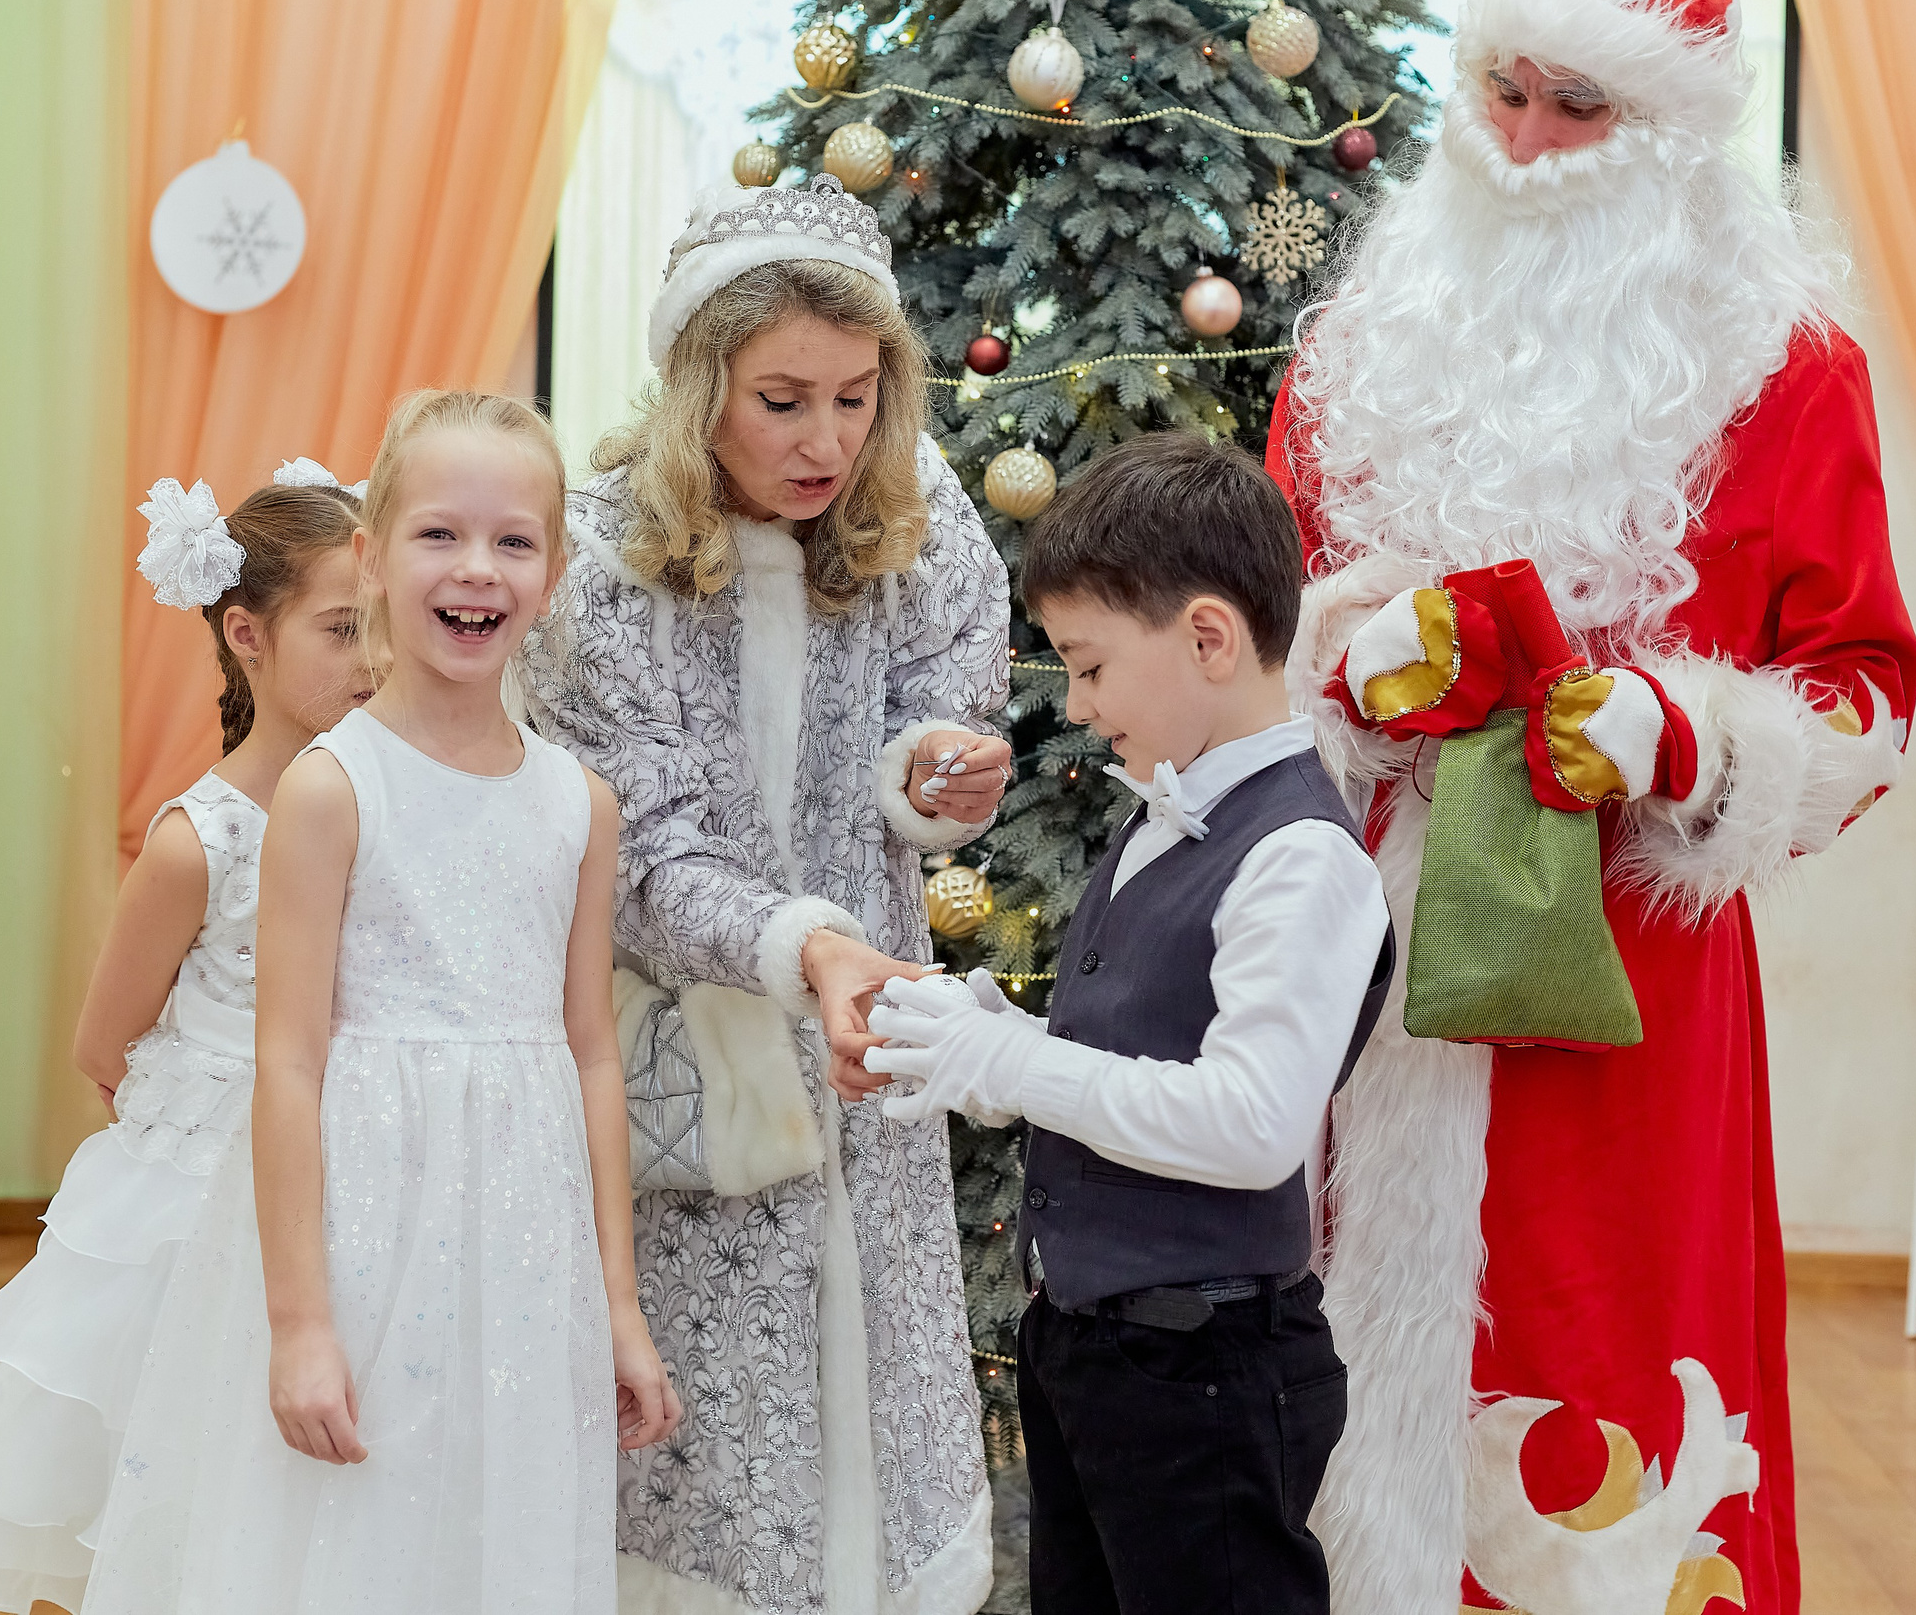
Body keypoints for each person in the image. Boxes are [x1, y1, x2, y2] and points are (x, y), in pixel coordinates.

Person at [1266, 0, 1916, 1615]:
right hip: (1364, 951)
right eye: (1504, 89)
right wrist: (1343, 664)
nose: (1529, 143)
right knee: (1341, 1371)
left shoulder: (1791, 373)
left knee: (1611, 1362)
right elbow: (1268, 629)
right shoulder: (1359, 345)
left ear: (1678, 139)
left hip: (1634, 983)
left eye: (1583, 106)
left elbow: (1869, 697)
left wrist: (1689, 731)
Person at [82, 392, 681, 1615]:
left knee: (491, 1533)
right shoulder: (330, 788)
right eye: (438, 535)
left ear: (555, 572)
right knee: (347, 1542)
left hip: (527, 1248)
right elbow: (290, 1063)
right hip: (359, 1238)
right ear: (372, 556)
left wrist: (617, 1306)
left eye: (515, 540)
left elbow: (591, 1058)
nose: (478, 569)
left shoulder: (580, 804)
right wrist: (300, 1323)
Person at [522, 174, 1011, 1614]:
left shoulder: (917, 518)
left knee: (877, 1379)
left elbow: (935, 714)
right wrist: (805, 945)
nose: (828, 440)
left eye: (857, 397)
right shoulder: (604, 565)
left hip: (868, 1051)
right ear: (697, 385)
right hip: (688, 1055)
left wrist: (932, 775)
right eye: (783, 398)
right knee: (710, 1423)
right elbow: (644, 859)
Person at [861, 433, 1395, 1615]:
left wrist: (1016, 1057)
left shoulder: (1299, 856)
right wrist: (989, 1035)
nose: (1080, 703)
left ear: (1207, 637)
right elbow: (1141, 1045)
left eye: (1091, 667)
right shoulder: (1167, 811)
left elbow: (1252, 1123)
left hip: (1204, 1366)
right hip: (1103, 1355)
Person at [0, 468, 372, 1611]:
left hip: (353, 1162)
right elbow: (104, 1044)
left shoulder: (385, 802)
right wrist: (200, 1121)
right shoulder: (196, 841)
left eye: (388, 628)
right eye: (345, 628)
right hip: (196, 1188)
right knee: (189, 1452)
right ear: (247, 634)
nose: (374, 661)